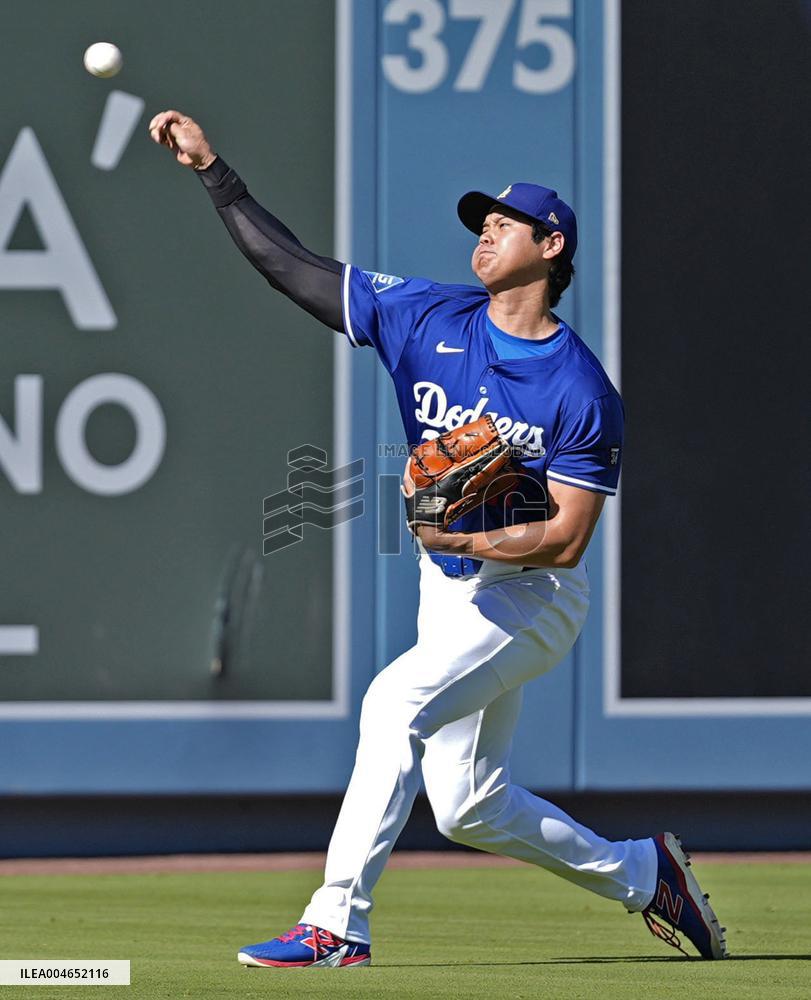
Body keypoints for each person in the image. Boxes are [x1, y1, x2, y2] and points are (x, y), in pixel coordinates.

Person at [149, 110, 727, 967]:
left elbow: (566, 540)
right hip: (448, 586)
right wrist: (212, 172)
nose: (484, 234)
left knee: (392, 705)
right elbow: (292, 269)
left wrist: (461, 531)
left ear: (552, 245)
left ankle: (336, 923)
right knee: (466, 804)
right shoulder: (424, 316)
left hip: (529, 597)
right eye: (480, 224)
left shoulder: (579, 390)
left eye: (503, 224)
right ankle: (648, 876)